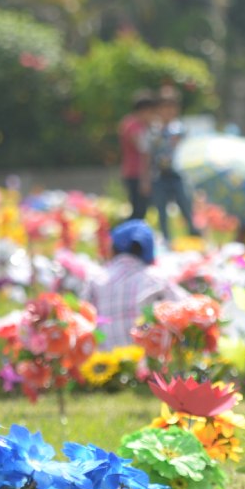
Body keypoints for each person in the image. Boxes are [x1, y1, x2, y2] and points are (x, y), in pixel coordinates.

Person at [84, 219, 186, 350]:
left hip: (104, 364)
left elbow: (84, 324)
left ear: (114, 249)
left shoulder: (96, 280)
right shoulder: (155, 279)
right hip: (148, 366)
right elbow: (188, 310)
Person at [150, 86, 199, 240]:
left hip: (178, 174)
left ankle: (194, 235)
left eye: (172, 107)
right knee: (161, 210)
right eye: (164, 107)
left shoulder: (180, 129)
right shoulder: (153, 130)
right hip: (159, 175)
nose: (168, 111)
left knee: (185, 205)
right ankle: (166, 239)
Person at [118, 90, 158, 221]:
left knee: (140, 210)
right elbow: (144, 151)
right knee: (138, 211)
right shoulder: (134, 127)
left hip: (135, 173)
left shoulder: (132, 124)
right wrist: (145, 180)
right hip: (136, 174)